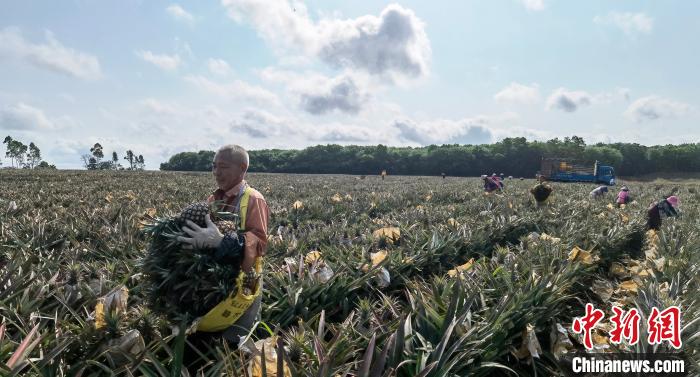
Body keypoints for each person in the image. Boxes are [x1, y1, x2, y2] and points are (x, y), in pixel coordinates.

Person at [178, 145, 270, 364]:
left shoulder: (254, 199)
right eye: (214, 166)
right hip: (211, 285)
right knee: (200, 347)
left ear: (242, 168)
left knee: (231, 351)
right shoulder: (212, 199)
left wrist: (222, 241)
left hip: (241, 288)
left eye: (223, 167)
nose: (216, 172)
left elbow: (259, 243)